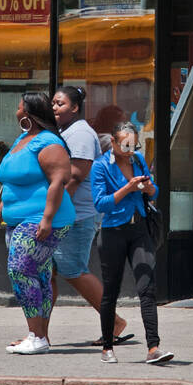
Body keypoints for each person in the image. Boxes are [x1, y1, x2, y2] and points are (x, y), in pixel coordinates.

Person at [0, 92, 75, 355]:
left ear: (29, 113)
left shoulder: (49, 142)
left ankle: (35, 335)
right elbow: (12, 181)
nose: (15, 111)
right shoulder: (22, 140)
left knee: (19, 269)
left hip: (44, 218)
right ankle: (40, 336)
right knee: (39, 274)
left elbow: (60, 180)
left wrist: (47, 218)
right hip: (17, 219)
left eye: (18, 107)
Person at [49, 86, 130, 346]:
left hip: (77, 214)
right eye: (52, 103)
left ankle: (115, 321)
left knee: (73, 269)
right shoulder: (65, 131)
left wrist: (55, 209)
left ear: (75, 107)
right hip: (67, 213)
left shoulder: (81, 133)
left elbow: (75, 175)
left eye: (60, 104)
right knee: (48, 272)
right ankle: (39, 332)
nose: (54, 108)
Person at [91, 122, 173, 364]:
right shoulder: (100, 166)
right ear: (113, 143)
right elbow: (100, 204)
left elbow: (155, 192)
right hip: (113, 232)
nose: (130, 149)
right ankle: (107, 346)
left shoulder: (138, 160)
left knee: (147, 287)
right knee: (111, 291)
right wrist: (128, 188)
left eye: (133, 144)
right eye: (125, 144)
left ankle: (153, 348)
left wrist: (149, 188)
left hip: (139, 230)